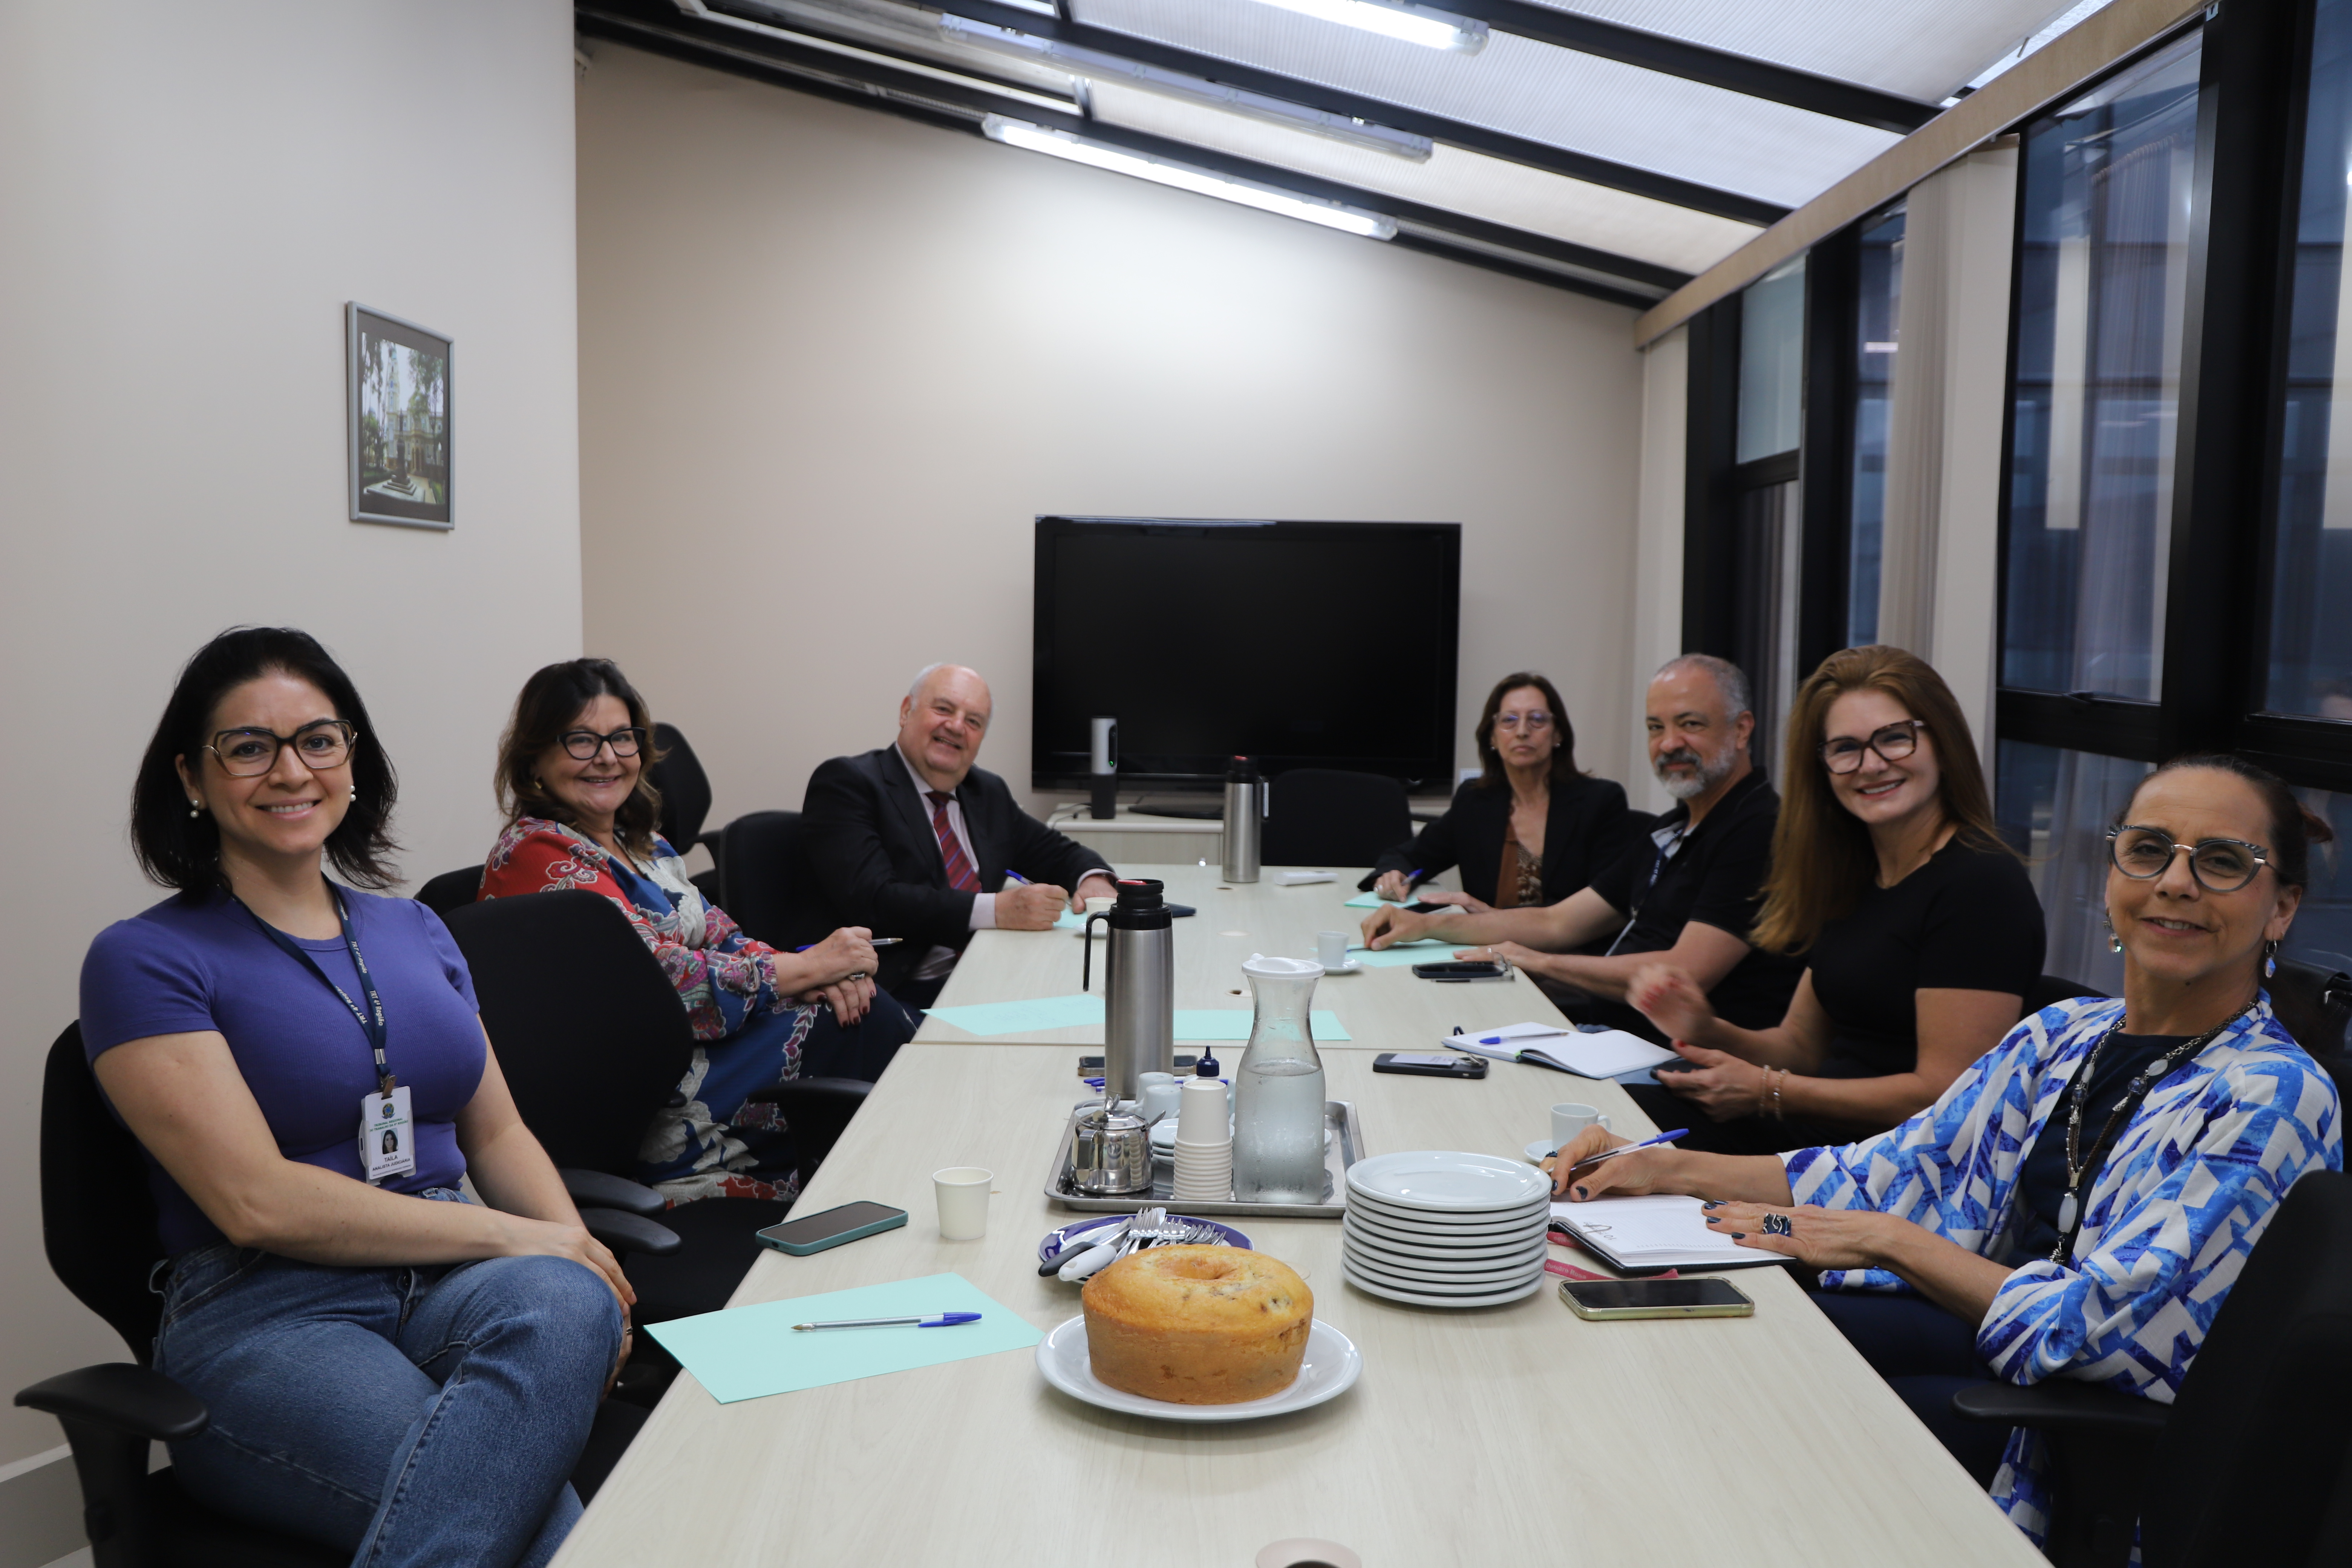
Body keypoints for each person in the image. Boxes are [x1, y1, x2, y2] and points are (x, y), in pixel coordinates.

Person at [1553, 753, 2343, 1542]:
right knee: (1737, 1337)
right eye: (2149, 850)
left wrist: (1889, 1241)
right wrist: (1660, 1164)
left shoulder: (2273, 1094)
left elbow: (2097, 1331)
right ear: (2112, 875)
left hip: (2079, 1429)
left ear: (2282, 907)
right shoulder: (2065, 1034)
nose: (2175, 882)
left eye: (2223, 862)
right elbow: (1889, 1171)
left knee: (1784, 1415)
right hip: (1995, 1349)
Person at [80, 628, 628, 1567]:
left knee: (567, 1299)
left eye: (318, 740)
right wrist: (517, 1237)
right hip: (273, 1309)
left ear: (353, 760)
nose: (292, 770)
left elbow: (497, 1131)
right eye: (249, 746)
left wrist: (580, 1254)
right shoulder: (143, 958)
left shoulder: (417, 929)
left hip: (454, 1278)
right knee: (546, 1533)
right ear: (191, 777)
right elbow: (255, 1201)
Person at [479, 658, 915, 1207]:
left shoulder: (646, 845)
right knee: (862, 1027)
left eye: (622, 737)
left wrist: (817, 977)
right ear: (535, 759)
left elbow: (728, 939)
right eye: (582, 740)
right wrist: (807, 968)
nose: (608, 757)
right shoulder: (536, 853)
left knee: (859, 1008)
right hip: (643, 1099)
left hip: (711, 1052)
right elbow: (659, 986)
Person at [1619, 647, 2045, 1153]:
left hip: (1881, 1164)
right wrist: (1705, 1028)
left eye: (1894, 738)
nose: (1872, 765)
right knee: (1598, 1117)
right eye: (1846, 748)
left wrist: (1768, 1091)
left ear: (1942, 741)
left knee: (1614, 1148)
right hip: (1807, 1133)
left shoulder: (1980, 884)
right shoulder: (1854, 873)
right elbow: (1798, 1046)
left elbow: (1945, 1095)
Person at [1361, 655, 1801, 1040]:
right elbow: (1556, 921)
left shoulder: (1758, 829)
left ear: (1742, 729)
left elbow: (1684, 974)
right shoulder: (1672, 828)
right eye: (1656, 727)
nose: (1669, 743)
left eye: (1690, 724)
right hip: (1610, 1032)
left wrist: (1538, 962)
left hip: (1673, 1061)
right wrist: (1424, 925)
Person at [802, 663, 1120, 1008]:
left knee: (1093, 1003)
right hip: (892, 993)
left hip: (985, 974)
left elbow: (1054, 852)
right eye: (943, 709)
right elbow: (876, 901)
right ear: (906, 711)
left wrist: (1093, 878)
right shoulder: (848, 783)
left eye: (974, 721)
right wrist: (996, 910)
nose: (956, 726)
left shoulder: (986, 791)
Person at [1365, 671, 1644, 913]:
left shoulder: (1600, 802)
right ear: (1493, 737)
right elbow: (1411, 856)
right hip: (1487, 951)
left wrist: (1492, 919)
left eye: (1537, 720)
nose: (1522, 731)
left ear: (1558, 734)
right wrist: (1393, 875)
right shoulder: (1475, 800)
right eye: (1509, 720)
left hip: (1568, 952)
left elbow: (1606, 907)